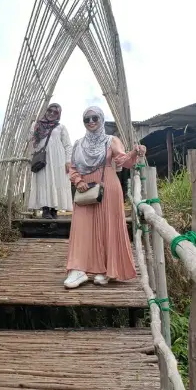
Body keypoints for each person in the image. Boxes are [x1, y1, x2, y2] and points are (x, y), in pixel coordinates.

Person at [64, 106, 146, 289]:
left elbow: (123, 161)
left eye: (95, 118)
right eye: (87, 119)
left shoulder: (111, 140)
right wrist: (77, 181)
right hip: (85, 189)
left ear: (101, 119)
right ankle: (77, 269)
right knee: (81, 228)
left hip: (108, 187)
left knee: (108, 227)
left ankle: (107, 270)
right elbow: (73, 167)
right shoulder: (78, 144)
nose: (91, 122)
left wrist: (135, 152)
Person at [28, 103, 73, 219]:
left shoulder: (61, 127)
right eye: (50, 111)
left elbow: (68, 145)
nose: (52, 113)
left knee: (57, 181)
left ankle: (54, 210)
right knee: (44, 181)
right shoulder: (37, 125)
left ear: (59, 114)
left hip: (58, 159)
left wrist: (68, 161)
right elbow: (31, 140)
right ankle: (45, 209)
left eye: (55, 112)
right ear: (46, 111)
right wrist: (32, 123)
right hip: (43, 158)